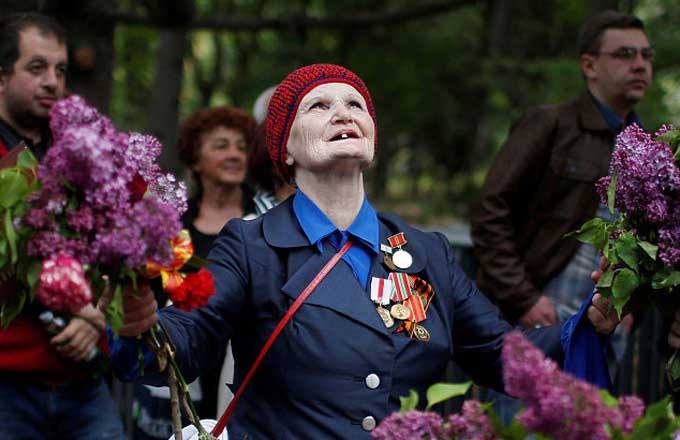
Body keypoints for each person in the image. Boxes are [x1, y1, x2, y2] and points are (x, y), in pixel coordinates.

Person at [110, 64, 626, 440]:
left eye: (355, 105)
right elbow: (187, 340)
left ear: (373, 139)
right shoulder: (250, 245)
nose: (343, 112)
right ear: (285, 148)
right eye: (319, 106)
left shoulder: (428, 252)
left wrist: (587, 324)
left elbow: (500, 354)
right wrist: (141, 324)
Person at [470, 9, 652, 423]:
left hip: (606, 328)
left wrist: (631, 313)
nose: (640, 64)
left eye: (646, 54)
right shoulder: (551, 124)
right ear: (589, 65)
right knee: (525, 430)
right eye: (625, 54)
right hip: (538, 323)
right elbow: (489, 211)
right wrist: (523, 298)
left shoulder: (649, 145)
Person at [0, 13, 126, 440]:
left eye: (60, 69)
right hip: (8, 379)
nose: (52, 82)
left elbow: (122, 245)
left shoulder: (89, 148)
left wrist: (97, 316)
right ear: (1, 77)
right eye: (36, 68)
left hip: (84, 377)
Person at [133, 105, 256, 439]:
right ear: (196, 160)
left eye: (241, 147)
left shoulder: (265, 222)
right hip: (182, 358)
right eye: (221, 146)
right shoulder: (172, 223)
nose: (234, 155)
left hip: (240, 367)